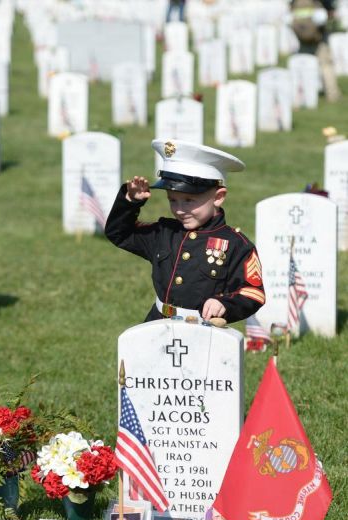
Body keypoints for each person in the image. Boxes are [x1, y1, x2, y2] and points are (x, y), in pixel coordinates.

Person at [105, 139, 266, 324]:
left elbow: (253, 293)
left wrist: (225, 304)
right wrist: (129, 201)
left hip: (206, 332)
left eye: (189, 200)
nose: (180, 209)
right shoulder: (164, 233)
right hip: (157, 324)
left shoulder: (236, 244)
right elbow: (119, 233)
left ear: (219, 197)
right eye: (172, 200)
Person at [290, 0, 341, 102]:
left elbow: (291, 10)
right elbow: (330, 11)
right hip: (319, 36)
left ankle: (300, 95)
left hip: (302, 36)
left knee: (302, 65)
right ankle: (332, 95)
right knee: (326, 65)